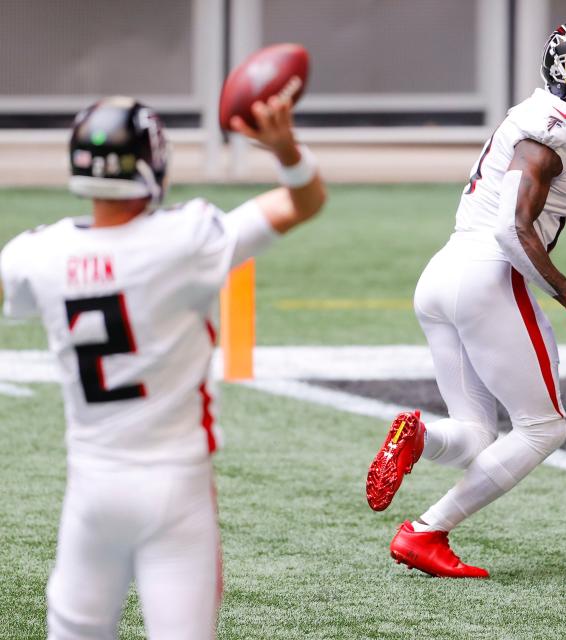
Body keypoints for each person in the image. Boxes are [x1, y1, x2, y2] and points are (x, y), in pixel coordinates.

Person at [0, 95, 326, 639]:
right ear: (152, 165)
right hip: (176, 486)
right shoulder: (187, 238)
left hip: (92, 487)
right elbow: (303, 202)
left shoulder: (36, 252)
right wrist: (285, 148)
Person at [364, 19, 566, 578]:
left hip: (443, 273)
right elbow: (512, 231)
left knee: (476, 435)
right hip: (489, 274)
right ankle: (426, 532)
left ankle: (418, 437)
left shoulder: (547, 120)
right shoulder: (551, 127)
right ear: (558, 72)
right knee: (545, 427)